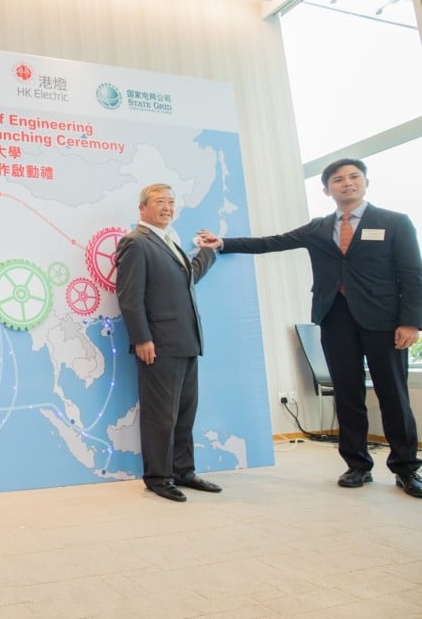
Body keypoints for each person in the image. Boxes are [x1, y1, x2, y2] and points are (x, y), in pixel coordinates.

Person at [199, 158, 422, 498]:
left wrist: (410, 322)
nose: (346, 183)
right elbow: (271, 242)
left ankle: (406, 468)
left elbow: (412, 274)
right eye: (338, 179)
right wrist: (224, 243)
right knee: (347, 395)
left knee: (393, 395)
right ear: (326, 189)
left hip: (384, 322)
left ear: (365, 183)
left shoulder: (394, 222)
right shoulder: (318, 228)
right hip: (335, 319)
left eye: (353, 177)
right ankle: (357, 465)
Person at [114, 183, 222, 502]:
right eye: (160, 201)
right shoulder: (135, 242)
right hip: (158, 345)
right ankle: (159, 477)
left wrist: (208, 251)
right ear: (142, 208)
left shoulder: (169, 241)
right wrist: (142, 338)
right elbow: (129, 297)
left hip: (187, 341)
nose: (167, 207)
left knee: (185, 413)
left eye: (171, 202)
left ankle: (183, 471)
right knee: (161, 414)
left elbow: (188, 278)